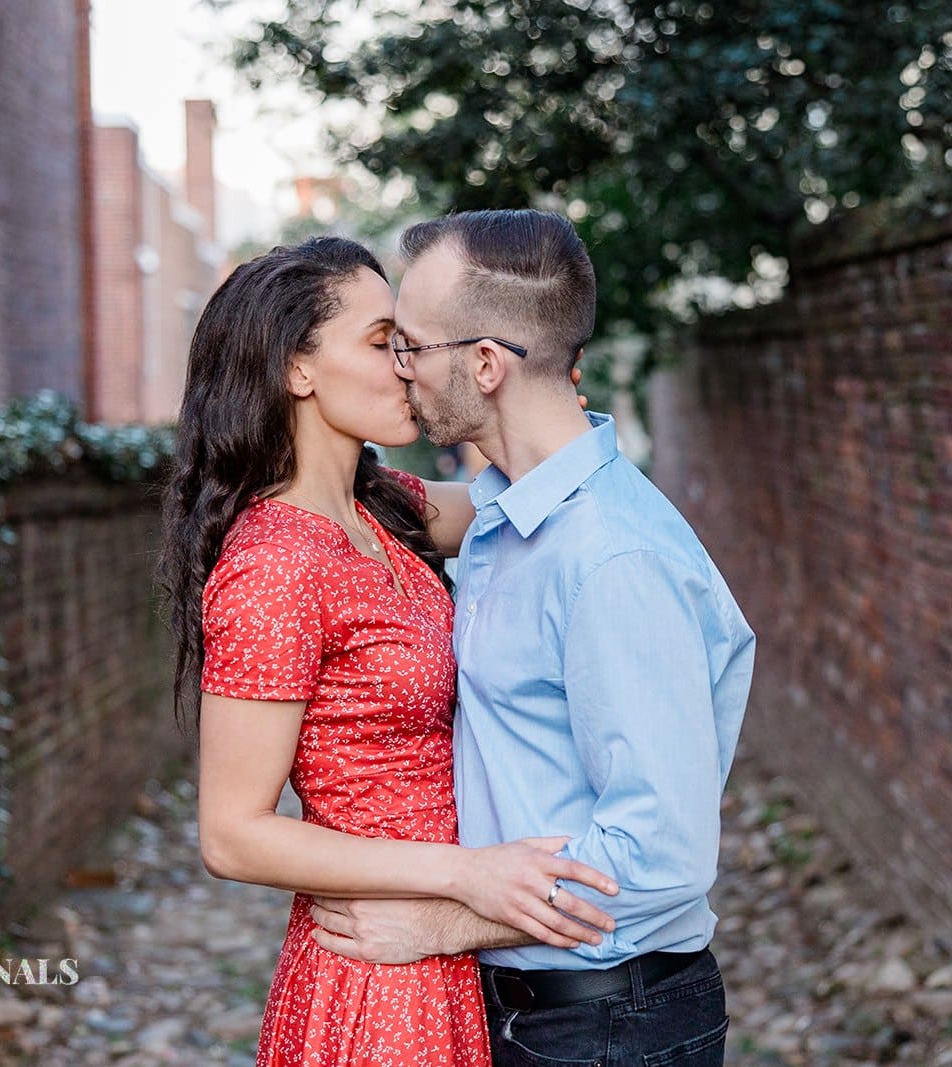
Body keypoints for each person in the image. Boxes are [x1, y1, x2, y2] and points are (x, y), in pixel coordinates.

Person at [154, 235, 621, 1066]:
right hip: (380, 971)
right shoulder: (273, 566)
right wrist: (464, 875)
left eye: (409, 342)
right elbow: (232, 834)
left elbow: (528, 492)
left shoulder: (384, 509)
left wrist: (538, 374)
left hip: (449, 941)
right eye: (382, 343)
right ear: (296, 368)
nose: (408, 365)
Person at [307, 210, 757, 1066]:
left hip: (609, 1023)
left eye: (411, 345)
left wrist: (449, 918)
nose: (400, 370)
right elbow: (364, 506)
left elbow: (657, 852)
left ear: (485, 364)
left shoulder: (612, 559)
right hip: (529, 1012)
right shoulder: (505, 516)